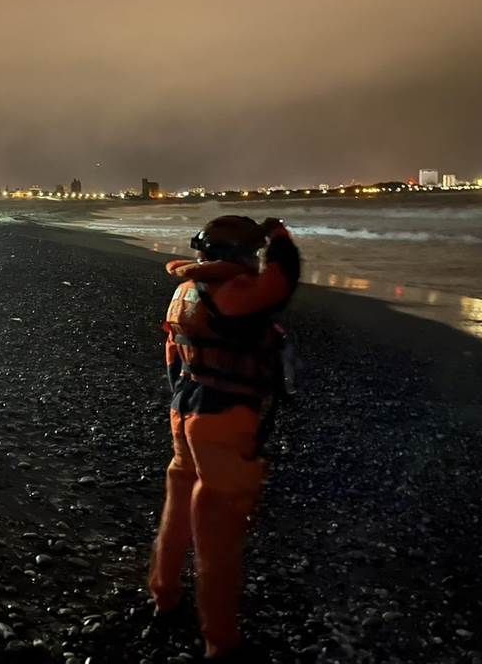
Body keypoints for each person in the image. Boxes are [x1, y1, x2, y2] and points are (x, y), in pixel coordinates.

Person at [147, 214, 301, 661]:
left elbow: (173, 355)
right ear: (239, 256)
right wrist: (278, 236)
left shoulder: (184, 291)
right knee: (217, 529)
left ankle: (165, 594)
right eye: (251, 253)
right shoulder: (236, 293)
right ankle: (221, 641)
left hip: (186, 408)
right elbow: (283, 280)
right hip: (223, 416)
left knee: (178, 500)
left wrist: (183, 400)